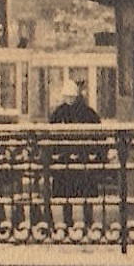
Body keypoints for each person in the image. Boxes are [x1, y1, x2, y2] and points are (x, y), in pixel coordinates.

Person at [47, 81, 103, 230]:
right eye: (67, 96)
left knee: (81, 193)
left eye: (71, 96)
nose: (70, 99)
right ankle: (70, 221)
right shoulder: (64, 113)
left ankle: (85, 221)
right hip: (71, 159)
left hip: (78, 158)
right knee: (70, 193)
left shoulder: (63, 113)